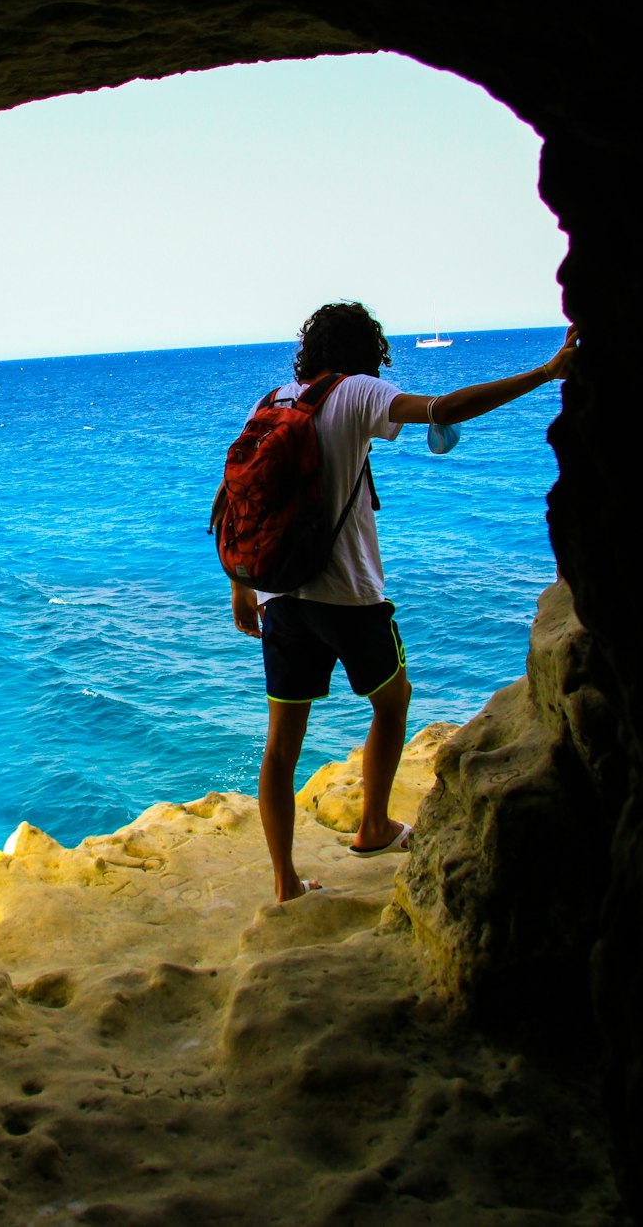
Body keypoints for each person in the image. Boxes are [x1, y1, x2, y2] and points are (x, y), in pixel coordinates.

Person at [228, 302, 577, 904]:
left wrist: (242, 585)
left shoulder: (277, 399)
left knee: (280, 744)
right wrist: (545, 373)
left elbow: (237, 493)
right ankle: (374, 826)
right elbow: (441, 411)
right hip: (349, 596)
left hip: (281, 594)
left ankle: (287, 883)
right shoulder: (359, 390)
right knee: (393, 702)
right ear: (369, 349)